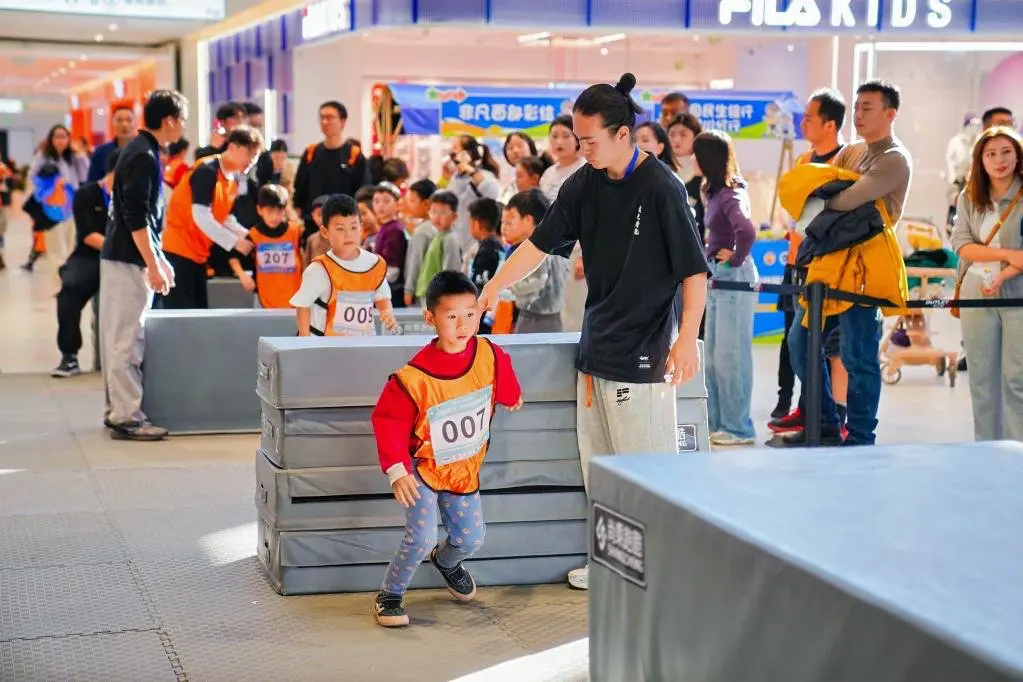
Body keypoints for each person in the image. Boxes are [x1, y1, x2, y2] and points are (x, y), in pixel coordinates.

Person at [477, 73, 709, 590]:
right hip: (597, 345)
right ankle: (613, 563)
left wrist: (686, 338)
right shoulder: (584, 184)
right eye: (578, 141)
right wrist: (493, 286)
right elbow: (538, 245)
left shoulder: (663, 188)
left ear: (623, 134)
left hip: (645, 351)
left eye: (589, 141)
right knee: (601, 469)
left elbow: (695, 272)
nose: (582, 151)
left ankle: (663, 569)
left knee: (648, 470)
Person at [370, 270, 524, 627]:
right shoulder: (412, 378)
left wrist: (512, 396)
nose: (463, 324)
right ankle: (390, 594)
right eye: (452, 316)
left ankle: (448, 561)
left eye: (471, 314)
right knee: (421, 538)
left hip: (463, 467)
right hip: (421, 469)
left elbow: (505, 383)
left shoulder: (489, 353)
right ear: (431, 318)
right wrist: (397, 470)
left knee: (471, 539)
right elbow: (387, 421)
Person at [780, 80, 912, 448]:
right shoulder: (852, 152)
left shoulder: (895, 158)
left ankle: (860, 436)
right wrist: (827, 195)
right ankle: (824, 422)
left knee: (858, 355)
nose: (858, 114)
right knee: (800, 342)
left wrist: (828, 196)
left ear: (890, 113)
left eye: (867, 107)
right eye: (856, 107)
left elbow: (842, 200)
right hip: (828, 261)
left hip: (868, 266)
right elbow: (815, 192)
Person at [100, 89, 188, 441]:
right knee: (127, 339)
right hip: (128, 259)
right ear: (169, 120)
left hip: (126, 256)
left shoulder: (141, 151)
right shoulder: (143, 155)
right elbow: (136, 217)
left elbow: (143, 218)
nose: (183, 127)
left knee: (122, 336)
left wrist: (159, 260)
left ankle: (119, 410)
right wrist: (153, 264)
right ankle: (126, 417)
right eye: (182, 120)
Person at [771, 88, 849, 431]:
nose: (802, 123)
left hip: (828, 268)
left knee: (824, 345)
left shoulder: (845, 162)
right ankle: (808, 410)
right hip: (796, 263)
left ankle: (830, 415)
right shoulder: (804, 161)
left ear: (830, 124)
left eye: (809, 118)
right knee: (794, 342)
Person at [950, 126, 1023, 441]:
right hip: (975, 291)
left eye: (1006, 152)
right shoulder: (969, 196)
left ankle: (1016, 453)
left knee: (1017, 379)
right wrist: (1007, 255)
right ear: (980, 160)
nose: (999, 160)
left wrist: (1003, 274)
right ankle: (987, 451)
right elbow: (962, 244)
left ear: (1018, 155)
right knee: (981, 379)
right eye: (990, 154)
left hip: (1017, 293)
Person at [696, 131, 758, 446]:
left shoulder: (730, 192)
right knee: (713, 355)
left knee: (730, 355)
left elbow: (746, 230)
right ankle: (720, 422)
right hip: (719, 276)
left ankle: (738, 427)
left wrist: (735, 258)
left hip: (735, 277)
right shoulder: (716, 190)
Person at [158, 126, 263, 309]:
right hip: (178, 254)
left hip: (198, 257)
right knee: (181, 316)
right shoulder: (207, 170)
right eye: (249, 153)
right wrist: (234, 242)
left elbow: (223, 217)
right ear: (233, 147)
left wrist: (248, 235)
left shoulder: (232, 180)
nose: (252, 160)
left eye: (256, 156)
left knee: (199, 315)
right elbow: (201, 215)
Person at [52, 150, 119, 378]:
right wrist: (119, 248)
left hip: (125, 259)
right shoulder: (86, 194)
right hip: (91, 255)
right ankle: (69, 356)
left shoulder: (133, 195)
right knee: (69, 291)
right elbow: (88, 235)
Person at [290, 194, 397, 336]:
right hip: (325, 344)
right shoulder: (319, 269)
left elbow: (382, 296)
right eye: (340, 229)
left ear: (361, 227)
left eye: (353, 227)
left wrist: (386, 311)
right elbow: (303, 306)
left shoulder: (374, 264)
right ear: (325, 232)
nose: (348, 234)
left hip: (363, 343)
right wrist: (304, 341)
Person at [292, 101, 371, 243]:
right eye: (322, 118)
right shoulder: (311, 153)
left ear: (343, 121)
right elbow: (299, 190)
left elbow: (363, 192)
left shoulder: (354, 155)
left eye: (330, 117)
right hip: (313, 226)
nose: (324, 122)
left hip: (344, 226)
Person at [501, 189, 569, 333]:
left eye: (512, 219)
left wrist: (510, 286)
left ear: (528, 219)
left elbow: (538, 281)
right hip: (549, 316)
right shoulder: (555, 241)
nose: (506, 226)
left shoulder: (538, 247)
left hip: (537, 317)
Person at [228, 184, 303, 308]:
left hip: (294, 296)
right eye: (269, 211)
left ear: (284, 210)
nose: (274, 217)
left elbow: (305, 258)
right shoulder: (254, 235)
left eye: (279, 211)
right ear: (259, 210)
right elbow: (234, 257)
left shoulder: (295, 232)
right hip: (264, 298)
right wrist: (242, 275)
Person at [414, 191, 463, 305]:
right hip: (430, 294)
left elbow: (450, 273)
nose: (437, 216)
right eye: (433, 211)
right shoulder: (439, 235)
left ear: (454, 216)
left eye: (442, 212)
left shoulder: (450, 239)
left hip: (439, 297)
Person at [371, 182, 409, 308]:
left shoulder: (394, 229)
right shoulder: (385, 227)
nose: (380, 206)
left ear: (397, 204)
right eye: (376, 201)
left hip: (390, 290)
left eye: (386, 201)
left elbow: (393, 270)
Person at [403, 179, 439, 307]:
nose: (409, 205)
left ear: (426, 203)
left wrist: (409, 289)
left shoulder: (422, 231)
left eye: (413, 201)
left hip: (421, 291)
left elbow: (416, 261)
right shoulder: (438, 227)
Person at [540, 115, 586, 201]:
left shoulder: (586, 169)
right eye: (554, 136)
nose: (559, 141)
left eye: (566, 136)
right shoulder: (548, 173)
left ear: (577, 139)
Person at [88, 105, 137, 182]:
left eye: (129, 120)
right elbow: (92, 184)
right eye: (119, 120)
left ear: (135, 123)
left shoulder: (145, 150)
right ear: (112, 123)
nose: (124, 124)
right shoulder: (100, 152)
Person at [301, 194, 331, 265]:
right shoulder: (311, 239)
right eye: (319, 215)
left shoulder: (339, 238)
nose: (323, 218)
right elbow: (306, 264)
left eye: (326, 215)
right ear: (313, 215)